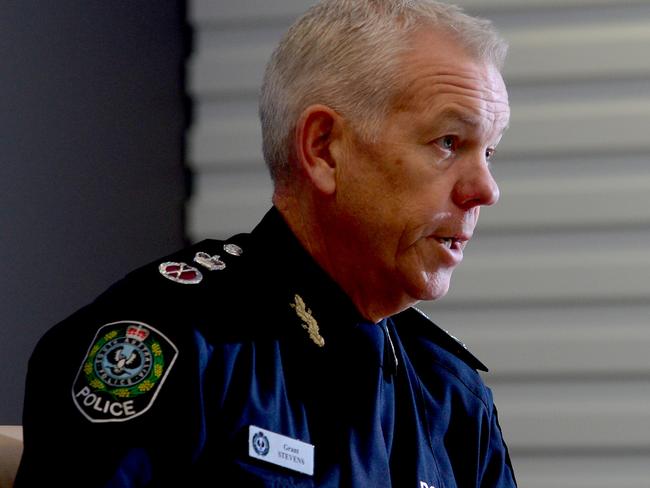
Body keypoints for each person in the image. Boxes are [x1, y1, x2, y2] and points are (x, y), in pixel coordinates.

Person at [16, 0, 515, 486]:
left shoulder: (452, 399)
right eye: (448, 142)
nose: (486, 190)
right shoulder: (175, 348)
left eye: (489, 151)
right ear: (323, 149)